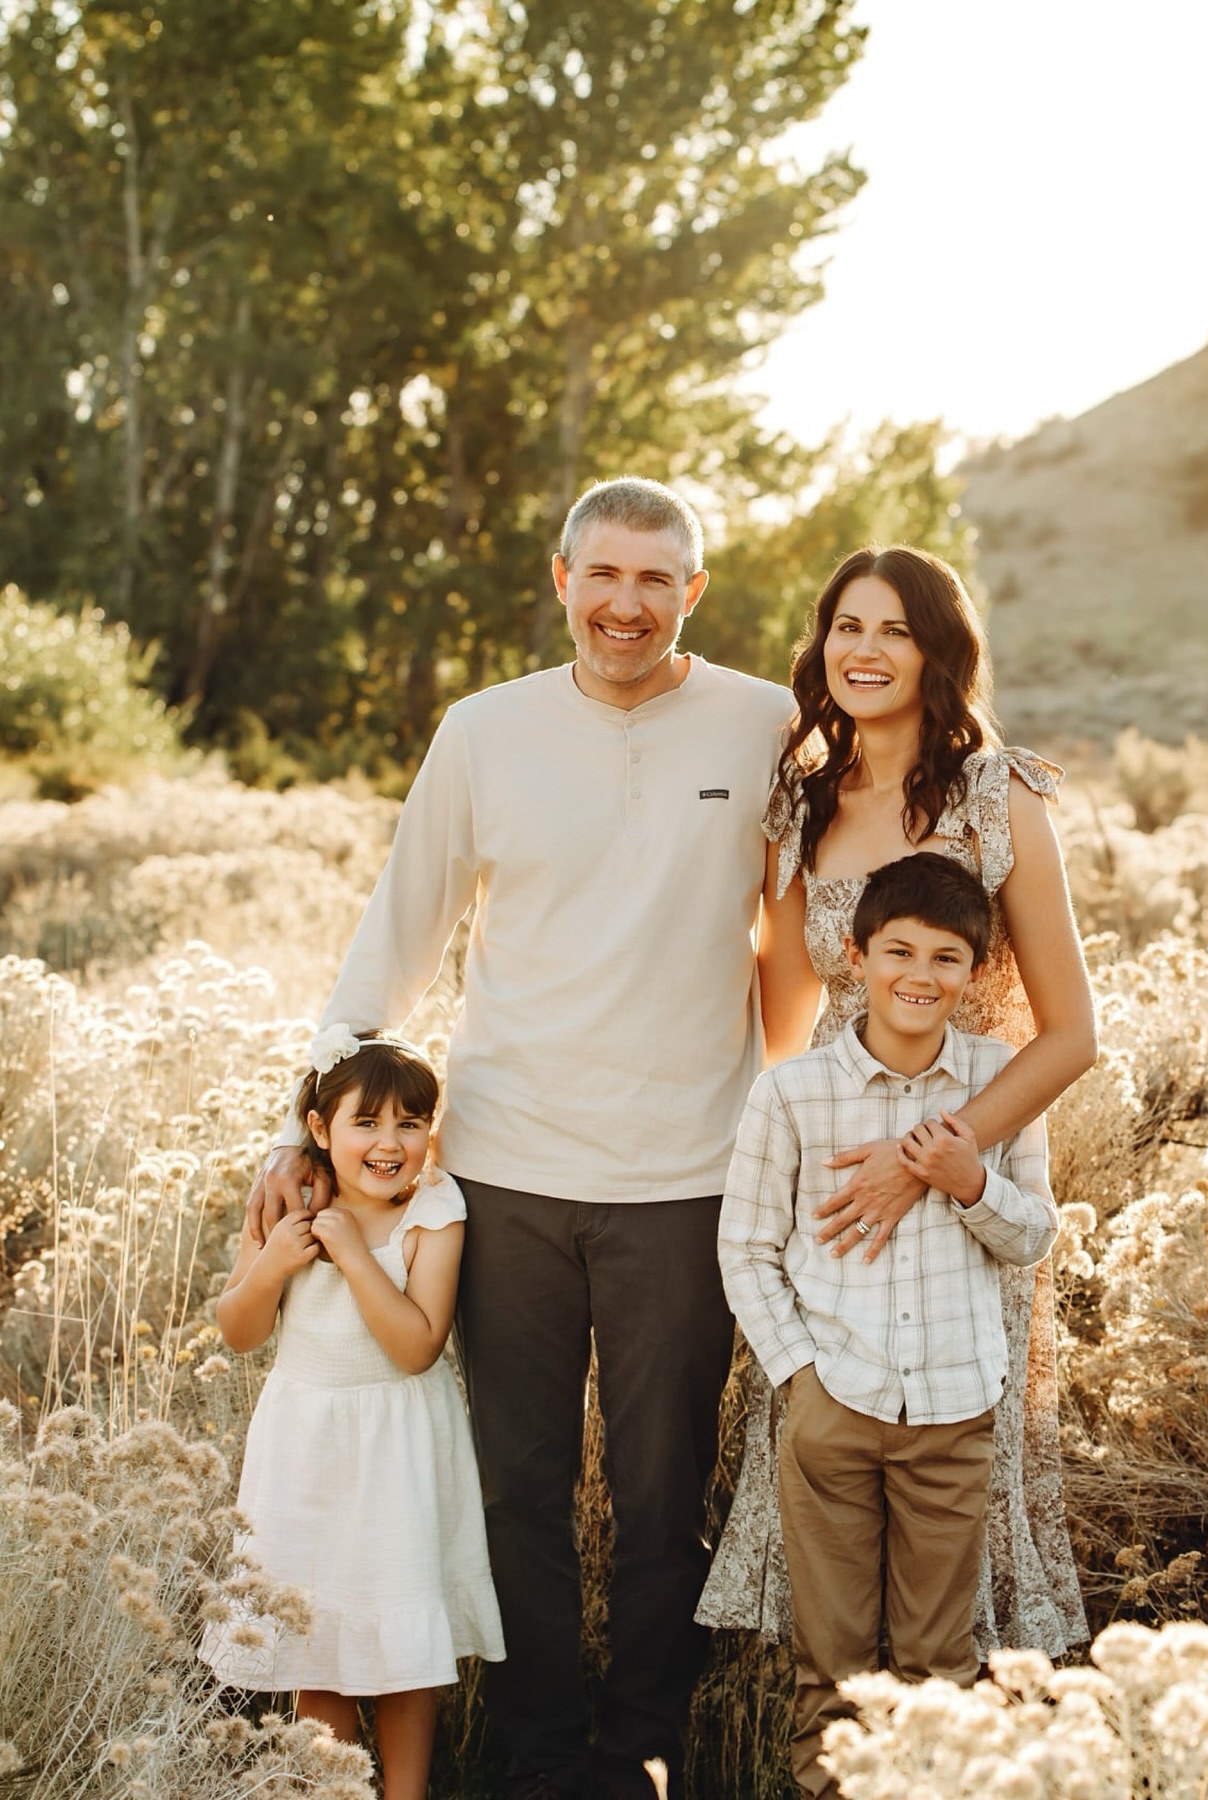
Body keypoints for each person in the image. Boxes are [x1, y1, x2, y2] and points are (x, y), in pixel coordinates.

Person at [249, 477, 801, 1800]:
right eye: (603, 576)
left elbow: (807, 925)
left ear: (693, 592)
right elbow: (398, 932)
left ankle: (639, 1757)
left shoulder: (767, 722)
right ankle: (548, 1759)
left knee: (669, 1500)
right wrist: (302, 1121)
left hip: (688, 1178)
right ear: (561, 580)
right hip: (502, 1175)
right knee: (518, 1498)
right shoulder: (484, 733)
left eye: (655, 580)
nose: (626, 605)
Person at [699, 543, 1097, 1661]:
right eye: (846, 629)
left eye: (895, 631)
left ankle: (953, 1730)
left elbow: (1072, 1033)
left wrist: (933, 1155)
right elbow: (782, 1020)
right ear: (821, 646)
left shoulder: (996, 792)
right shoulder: (802, 794)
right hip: (832, 1155)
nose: (865, 652)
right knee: (824, 1446)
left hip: (966, 1153)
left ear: (939, 652)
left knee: (952, 1491)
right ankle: (832, 1733)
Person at [719, 852, 1060, 1798]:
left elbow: (1034, 1232)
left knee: (938, 1669)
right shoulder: (792, 1094)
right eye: (898, 950)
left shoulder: (1000, 1083)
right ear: (854, 953)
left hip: (954, 1411)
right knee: (830, 1669)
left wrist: (970, 1181)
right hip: (834, 1409)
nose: (920, 975)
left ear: (976, 973)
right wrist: (802, 1379)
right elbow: (745, 1249)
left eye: (947, 957)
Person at [204, 1030, 505, 1800]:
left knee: (403, 1649)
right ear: (319, 1131)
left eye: (410, 1123)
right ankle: (330, 1790)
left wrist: (357, 1256)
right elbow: (238, 1330)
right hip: (304, 1446)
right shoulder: (288, 1200)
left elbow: (415, 1347)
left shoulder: (436, 1212)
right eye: (365, 1123)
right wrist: (274, 1260)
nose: (389, 1143)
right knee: (316, 1641)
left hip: (400, 1447)